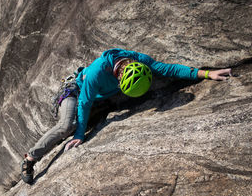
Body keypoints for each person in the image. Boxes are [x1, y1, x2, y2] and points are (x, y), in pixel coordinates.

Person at [20, 48, 232, 184]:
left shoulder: (139, 61)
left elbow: (168, 70)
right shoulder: (97, 72)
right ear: (120, 75)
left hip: (100, 95)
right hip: (76, 91)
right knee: (67, 126)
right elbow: (84, 101)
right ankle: (30, 159)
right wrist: (80, 135)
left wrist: (206, 73)